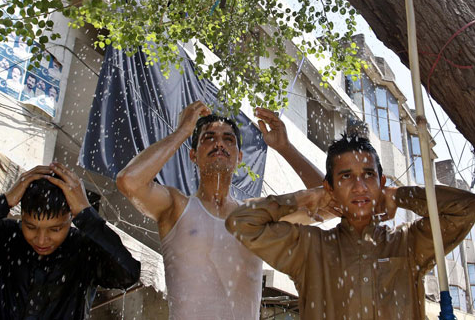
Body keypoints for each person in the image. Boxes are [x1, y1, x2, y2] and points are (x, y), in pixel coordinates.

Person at [225, 134, 475, 320]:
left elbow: (468, 207)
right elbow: (240, 222)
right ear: (331, 187)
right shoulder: (309, 247)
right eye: (346, 176)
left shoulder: (409, 243)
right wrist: (307, 198)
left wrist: (401, 195)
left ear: (381, 182)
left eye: (368, 175)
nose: (359, 186)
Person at [116, 102, 324, 319]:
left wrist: (286, 148)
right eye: (209, 138)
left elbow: (333, 202)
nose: (219, 144)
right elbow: (129, 181)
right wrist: (182, 132)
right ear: (193, 155)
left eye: (228, 139)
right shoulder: (176, 207)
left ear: (239, 158)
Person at [0, 162, 140, 319]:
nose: (42, 239)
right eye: (31, 226)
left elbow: (127, 275)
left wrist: (87, 216)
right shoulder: (2, 239)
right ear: (21, 217)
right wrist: (3, 203)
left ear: (70, 219)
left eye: (55, 229)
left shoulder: (83, 249)